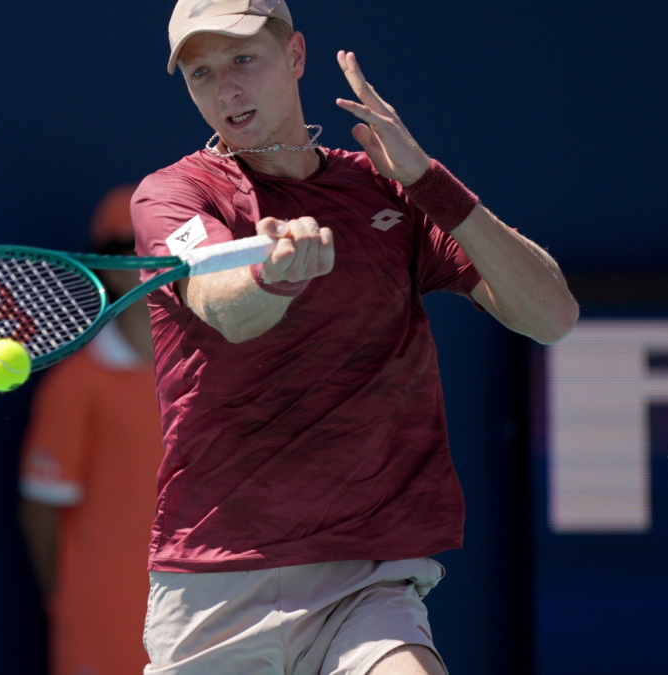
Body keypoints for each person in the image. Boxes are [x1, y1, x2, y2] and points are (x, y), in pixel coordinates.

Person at [130, 2, 580, 674]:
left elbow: (551, 316)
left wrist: (430, 182)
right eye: (201, 73)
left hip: (362, 580)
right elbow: (222, 304)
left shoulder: (388, 192)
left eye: (243, 60)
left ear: (296, 56)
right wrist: (273, 277)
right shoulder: (174, 196)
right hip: (216, 583)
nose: (226, 91)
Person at [18, 185, 162, 675]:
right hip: (103, 626)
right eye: (128, 248)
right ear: (102, 265)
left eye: (158, 245)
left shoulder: (216, 375)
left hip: (204, 624)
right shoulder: (77, 383)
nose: (145, 261)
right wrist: (72, 603)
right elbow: (41, 507)